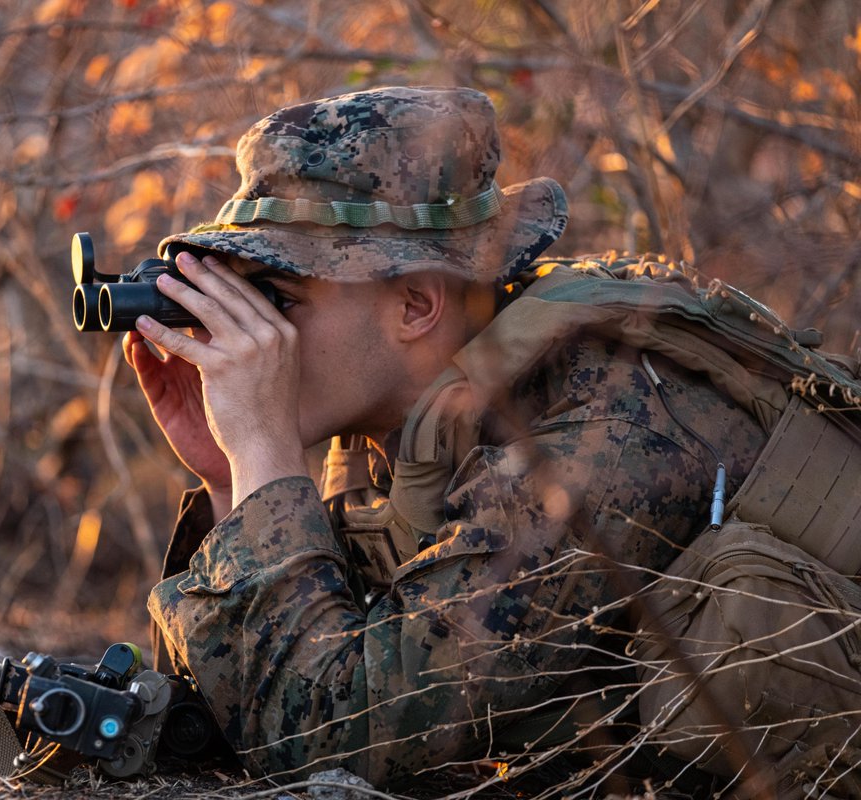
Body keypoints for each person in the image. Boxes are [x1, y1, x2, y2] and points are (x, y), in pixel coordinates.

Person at [120, 86, 778, 790]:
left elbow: (337, 742)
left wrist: (265, 457)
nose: (249, 332)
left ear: (415, 305)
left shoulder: (599, 437)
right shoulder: (395, 431)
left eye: (278, 298)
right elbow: (234, 724)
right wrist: (233, 484)